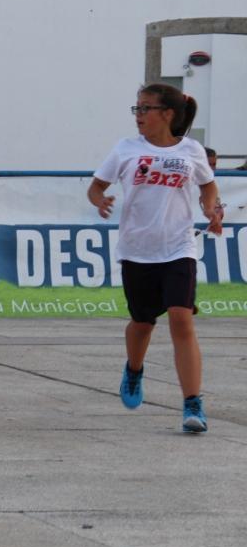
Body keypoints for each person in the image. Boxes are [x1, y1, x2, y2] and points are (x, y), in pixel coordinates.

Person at [87, 84, 222, 434]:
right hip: (137, 250)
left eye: (146, 108)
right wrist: (99, 200)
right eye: (137, 109)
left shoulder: (191, 150)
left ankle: (192, 403)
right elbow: (96, 185)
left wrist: (211, 208)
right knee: (143, 323)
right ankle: (134, 369)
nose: (139, 115)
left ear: (168, 114)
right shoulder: (126, 149)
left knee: (181, 318)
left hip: (178, 247)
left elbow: (208, 185)